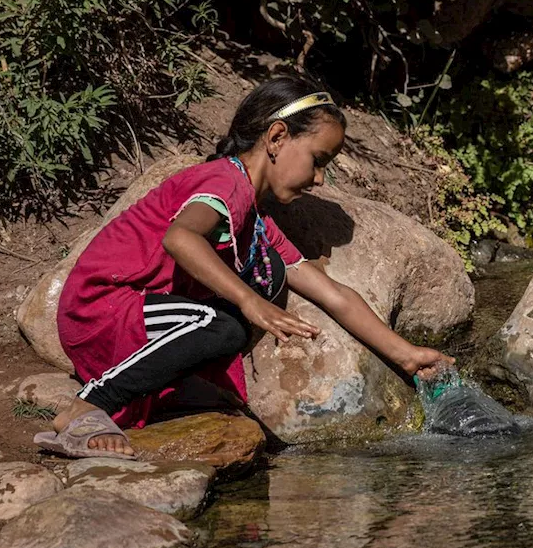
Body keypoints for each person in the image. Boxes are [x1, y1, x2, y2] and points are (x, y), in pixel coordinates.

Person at [35, 77, 454, 458]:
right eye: (318, 159)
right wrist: (249, 300)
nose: (321, 179)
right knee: (224, 326)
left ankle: (148, 394)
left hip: (137, 316)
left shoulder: (257, 223)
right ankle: (89, 406)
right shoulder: (223, 182)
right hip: (102, 305)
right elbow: (181, 238)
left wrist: (407, 355)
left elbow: (332, 294)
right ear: (276, 137)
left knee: (226, 353)